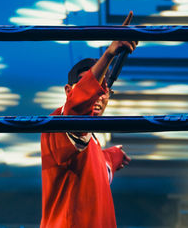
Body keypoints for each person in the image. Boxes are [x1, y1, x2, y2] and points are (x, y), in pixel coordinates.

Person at [40, 12, 138, 227]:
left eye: (104, 90)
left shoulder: (90, 146)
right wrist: (109, 54)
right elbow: (78, 107)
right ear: (68, 90)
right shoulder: (58, 121)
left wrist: (113, 157)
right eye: (91, 85)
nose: (98, 95)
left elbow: (97, 169)